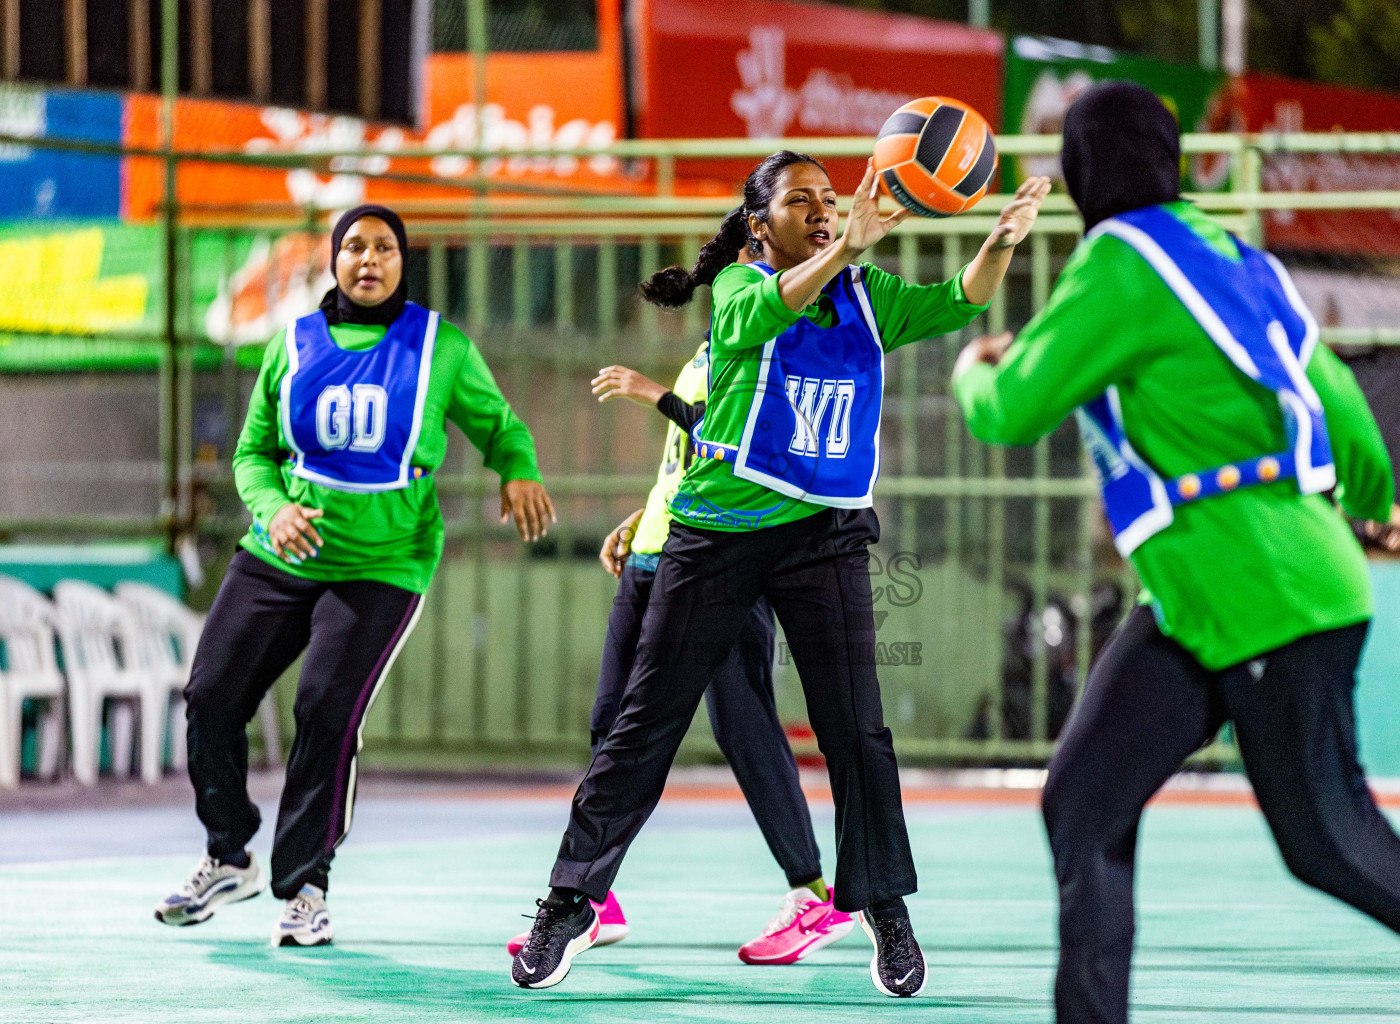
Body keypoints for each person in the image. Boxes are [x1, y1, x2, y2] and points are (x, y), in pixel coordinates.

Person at [951, 81, 1400, 1024]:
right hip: (1212, 600)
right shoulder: (1234, 254)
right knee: (1085, 800)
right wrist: (1375, 502)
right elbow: (1336, 398)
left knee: (1327, 837)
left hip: (1262, 596)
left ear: (1081, 174)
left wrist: (976, 369)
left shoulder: (1118, 261)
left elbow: (1015, 406)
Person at [508, 148, 1050, 996]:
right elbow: (769, 309)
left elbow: (962, 299)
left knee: (857, 731)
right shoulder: (737, 290)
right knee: (645, 721)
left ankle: (882, 906)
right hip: (719, 528)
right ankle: (572, 899)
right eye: (803, 202)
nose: (824, 211)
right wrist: (848, 249)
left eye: (831, 201)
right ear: (762, 225)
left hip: (822, 534)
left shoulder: (867, 299)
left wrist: (1004, 241)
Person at [154, 204, 555, 948]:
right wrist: (272, 508)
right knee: (211, 695)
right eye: (354, 247)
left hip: (383, 561)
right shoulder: (294, 345)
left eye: (385, 248)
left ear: (404, 262)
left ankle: (306, 885)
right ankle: (228, 851)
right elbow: (252, 453)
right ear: (332, 262)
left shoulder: (440, 347)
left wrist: (518, 471)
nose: (369, 259)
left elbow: (499, 426)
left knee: (324, 711)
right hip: (284, 552)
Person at [506, 347, 857, 965]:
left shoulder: (774, 345)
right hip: (656, 553)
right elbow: (692, 463)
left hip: (720, 562)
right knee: (612, 724)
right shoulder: (710, 346)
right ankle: (593, 896)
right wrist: (648, 515)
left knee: (743, 725)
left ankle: (810, 893)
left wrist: (652, 393)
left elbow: (746, 440)